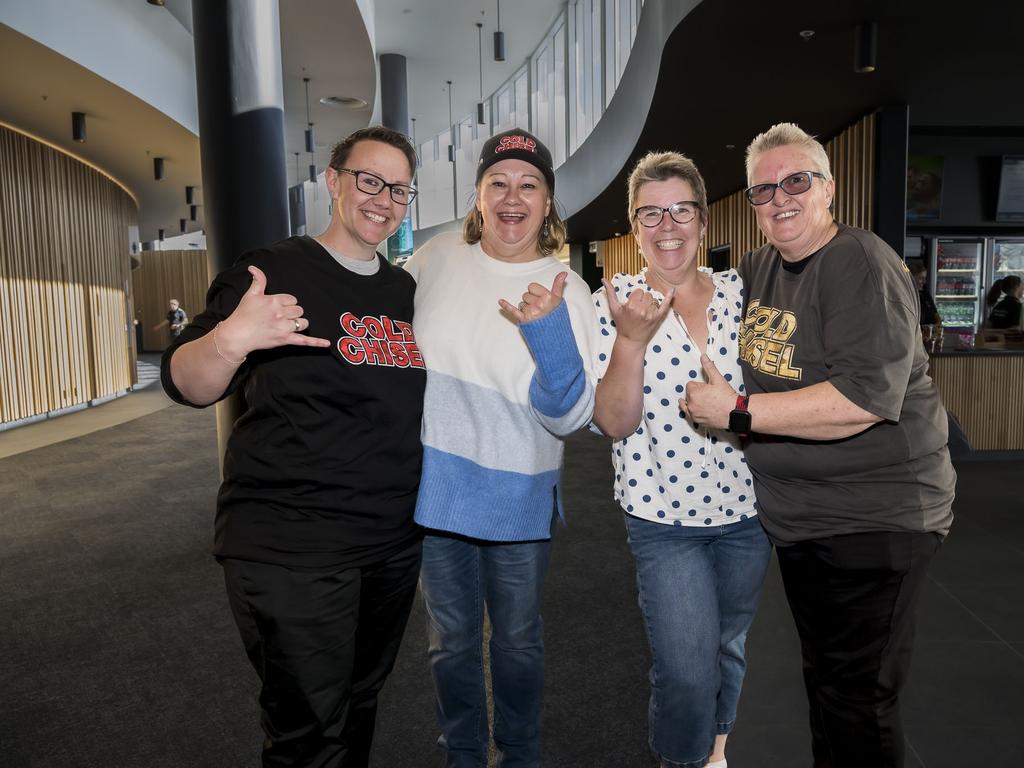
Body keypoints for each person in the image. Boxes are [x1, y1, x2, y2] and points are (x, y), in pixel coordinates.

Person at [683, 122, 956, 768]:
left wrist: (740, 412)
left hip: (874, 519)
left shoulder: (857, 261)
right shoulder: (760, 269)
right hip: (804, 523)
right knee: (830, 689)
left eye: (796, 181)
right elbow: (696, 301)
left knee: (858, 702)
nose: (780, 198)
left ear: (828, 189)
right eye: (763, 189)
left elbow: (863, 399)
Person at [159, 126, 426, 767]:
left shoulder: (403, 292)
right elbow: (185, 382)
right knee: (309, 732)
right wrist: (230, 340)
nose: (382, 199)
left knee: (359, 705)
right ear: (332, 182)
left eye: (399, 189)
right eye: (369, 180)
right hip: (292, 547)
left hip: (389, 545)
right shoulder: (271, 272)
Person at [403, 128, 598, 767]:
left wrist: (548, 335)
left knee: (516, 644)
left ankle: (520, 754)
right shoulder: (431, 261)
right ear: (478, 196)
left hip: (519, 493)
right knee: (449, 645)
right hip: (436, 496)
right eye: (499, 183)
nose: (513, 198)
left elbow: (571, 418)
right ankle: (462, 752)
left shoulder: (570, 291)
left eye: (529, 185)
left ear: (548, 204)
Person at [591, 151, 771, 768]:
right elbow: (613, 421)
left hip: (749, 513)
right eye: (651, 214)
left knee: (728, 645)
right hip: (663, 519)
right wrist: (631, 342)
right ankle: (681, 760)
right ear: (634, 227)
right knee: (686, 668)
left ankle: (715, 750)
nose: (667, 226)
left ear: (701, 218)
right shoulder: (612, 304)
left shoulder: (742, 296)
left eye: (680, 210)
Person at [908, 259, 941, 326]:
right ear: (910, 278)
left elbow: (936, 316)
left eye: (924, 278)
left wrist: (937, 325)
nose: (924, 282)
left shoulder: (925, 294)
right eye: (921, 278)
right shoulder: (904, 296)